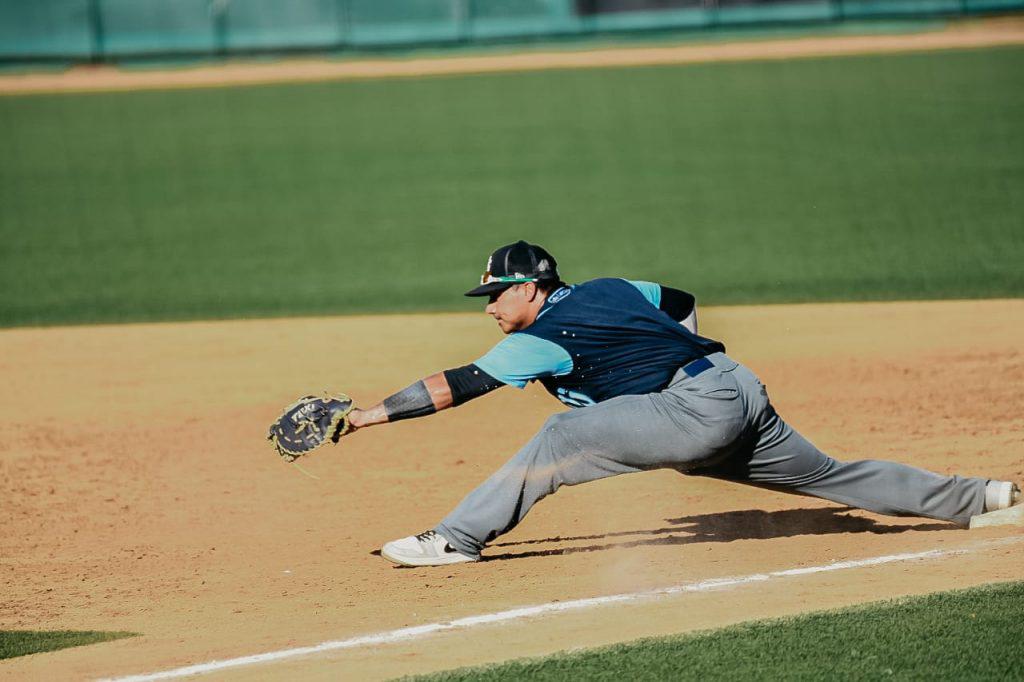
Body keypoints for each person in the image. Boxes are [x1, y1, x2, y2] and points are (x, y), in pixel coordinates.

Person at [345, 241, 1021, 567]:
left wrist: (369, 414)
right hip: (735, 384)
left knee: (558, 437)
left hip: (698, 410)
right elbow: (682, 302)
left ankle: (456, 539)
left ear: (533, 289)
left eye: (497, 294)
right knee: (827, 475)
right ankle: (982, 497)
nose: (490, 305)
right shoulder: (611, 286)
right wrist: (682, 367)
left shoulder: (545, 336)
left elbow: (457, 385)